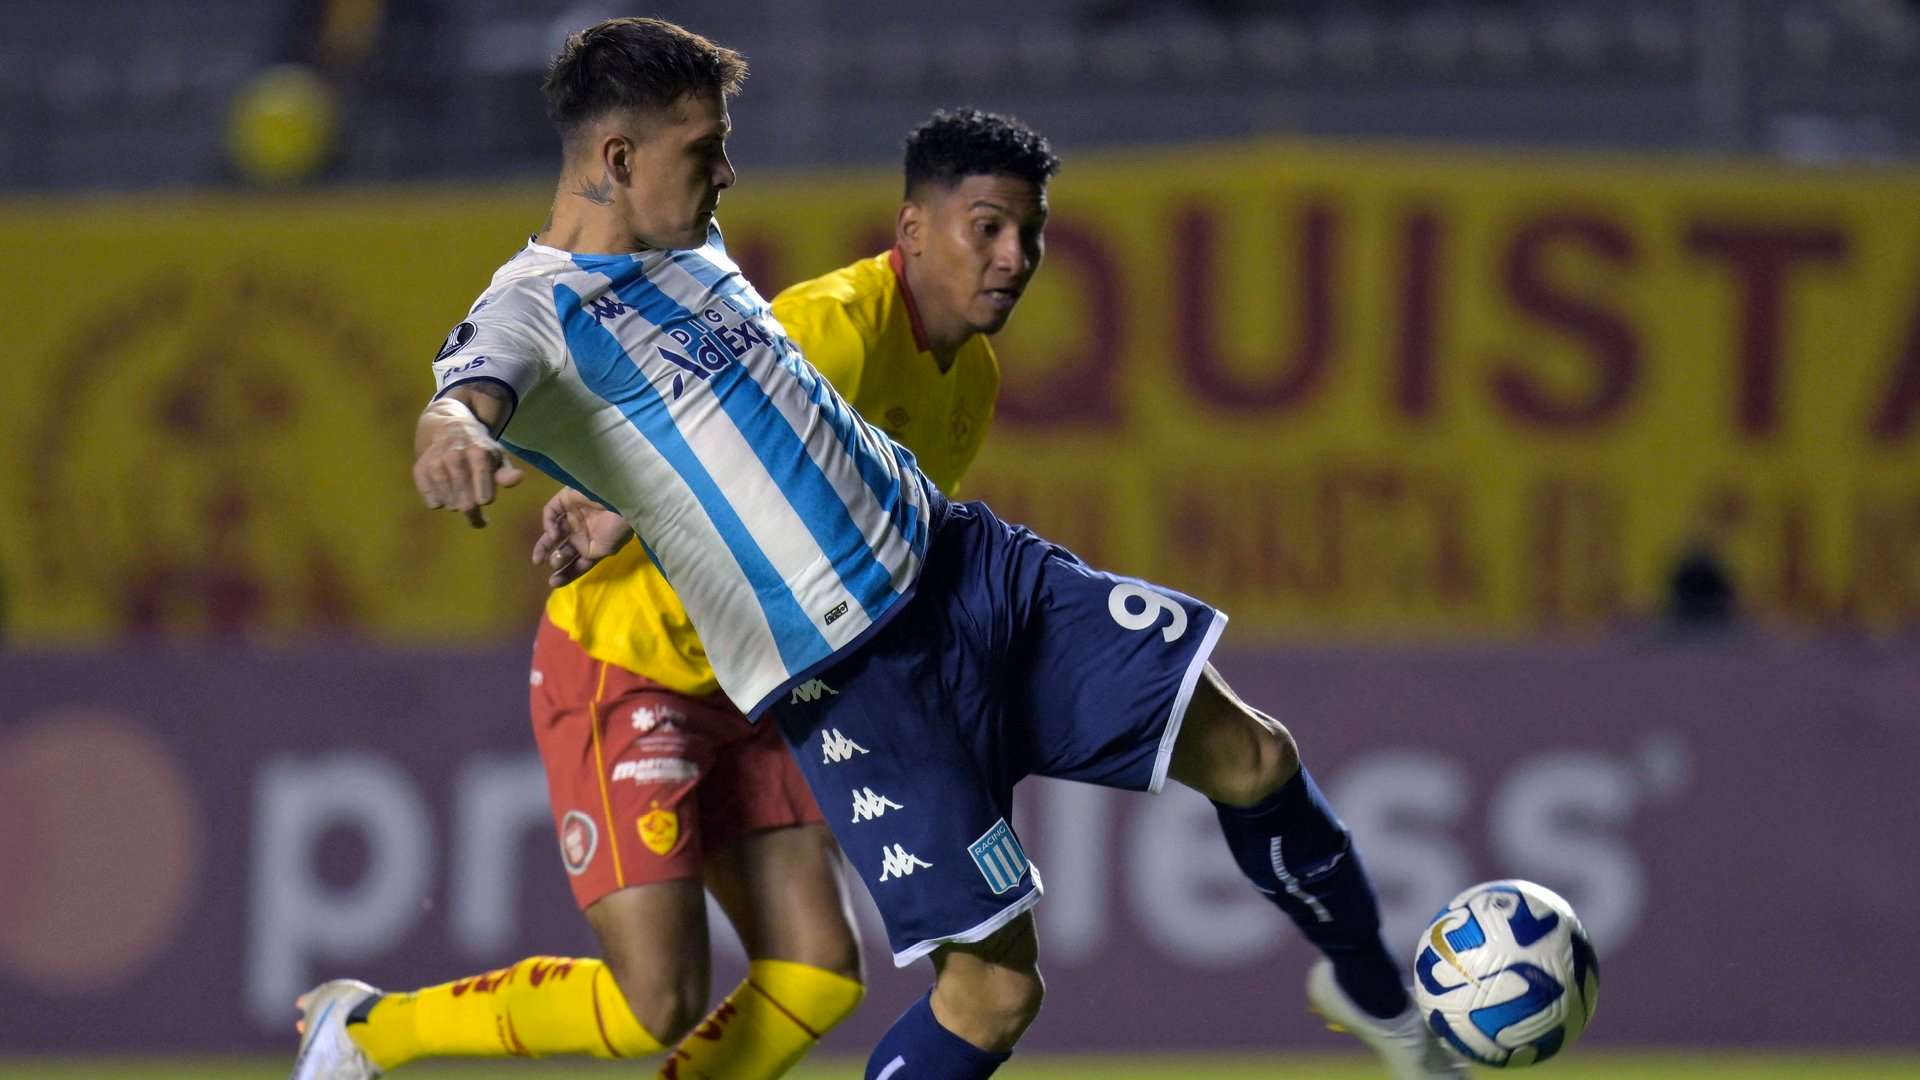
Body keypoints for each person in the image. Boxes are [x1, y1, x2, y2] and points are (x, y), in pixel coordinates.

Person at [368, 16, 1460, 1079]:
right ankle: (379, 1035)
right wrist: (455, 435)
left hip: (969, 569)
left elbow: (731, 408)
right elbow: (470, 390)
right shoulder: (530, 309)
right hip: (851, 672)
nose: (728, 175)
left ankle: (1379, 1007)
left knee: (1254, 753)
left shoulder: (690, 249)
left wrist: (616, 501)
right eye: (705, 151)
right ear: (616, 157)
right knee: (992, 994)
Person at [286, 96, 1053, 1080]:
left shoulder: (970, 380)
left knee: (819, 969)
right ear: (916, 230)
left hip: (761, 675)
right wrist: (609, 508)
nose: (1014, 258)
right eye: (991, 230)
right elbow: (702, 410)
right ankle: (368, 1030)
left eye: (1030, 236)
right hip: (636, 660)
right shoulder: (836, 325)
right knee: (659, 998)